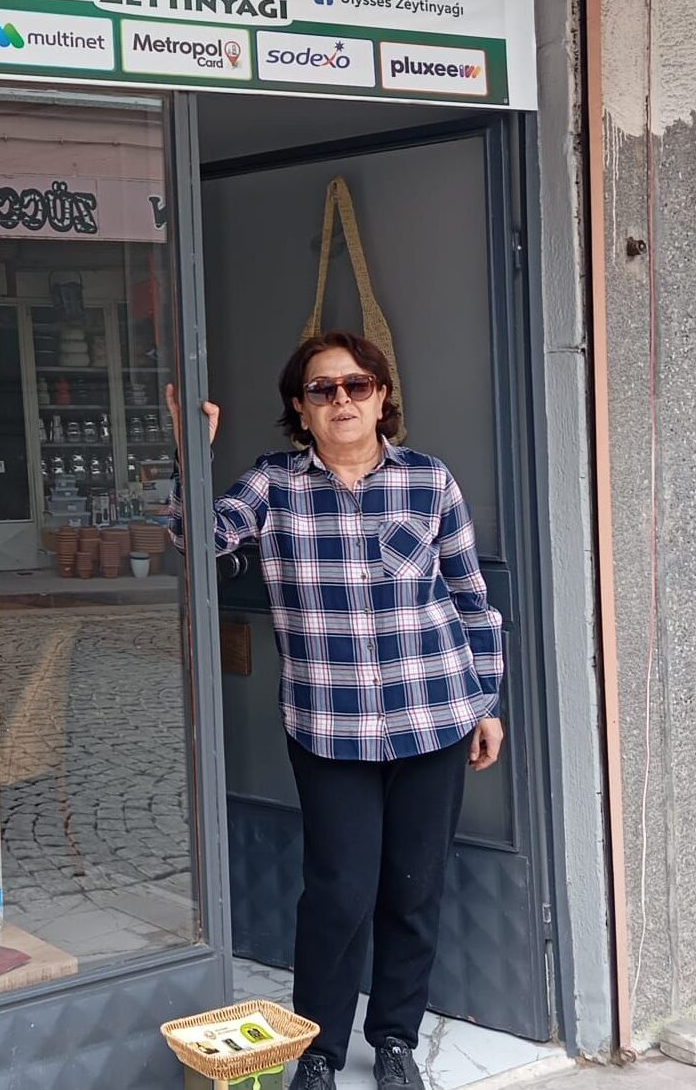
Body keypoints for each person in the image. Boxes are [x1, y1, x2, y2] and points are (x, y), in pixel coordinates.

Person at [166, 331, 505, 1090]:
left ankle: (395, 1040)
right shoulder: (274, 484)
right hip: (329, 726)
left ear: (382, 397)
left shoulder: (429, 481)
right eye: (323, 390)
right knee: (339, 893)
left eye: (357, 386)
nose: (342, 400)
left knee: (414, 888)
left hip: (435, 714)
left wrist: (486, 701)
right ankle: (317, 1047)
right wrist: (190, 455)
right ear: (301, 408)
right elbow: (197, 541)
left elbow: (470, 598)